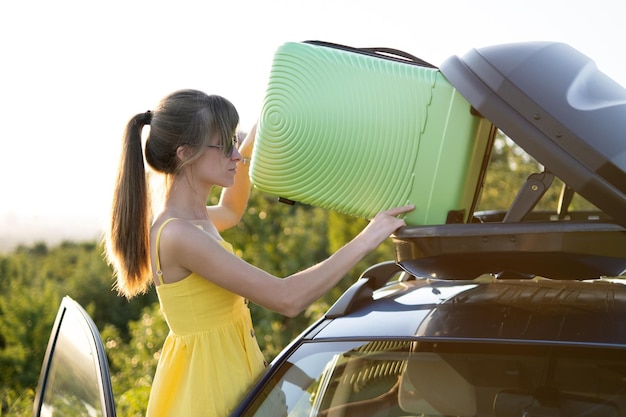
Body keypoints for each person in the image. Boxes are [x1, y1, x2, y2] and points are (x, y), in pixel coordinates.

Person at [105, 89, 414, 417]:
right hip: (211, 393)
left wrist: (249, 144)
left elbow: (232, 210)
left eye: (234, 143)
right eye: (225, 146)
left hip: (229, 378)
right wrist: (367, 238)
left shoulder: (195, 220)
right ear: (185, 153)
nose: (235, 156)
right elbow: (286, 298)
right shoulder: (178, 235)